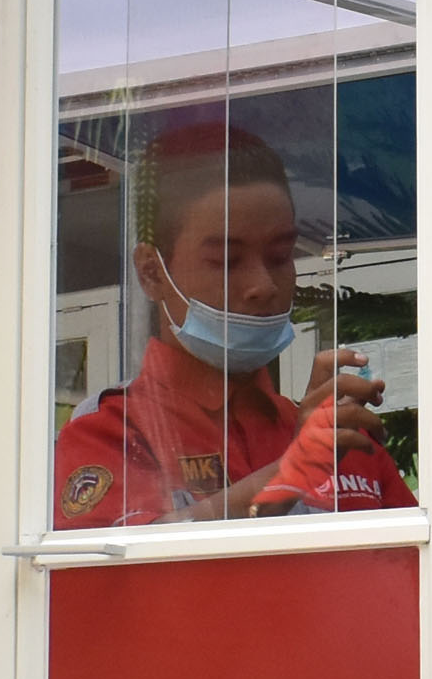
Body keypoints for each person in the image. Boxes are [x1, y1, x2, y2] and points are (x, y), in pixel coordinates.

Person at [55, 124, 410, 524]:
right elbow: (121, 576)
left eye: (281, 255)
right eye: (226, 261)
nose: (262, 285)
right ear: (151, 272)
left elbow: (428, 576)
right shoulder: (111, 434)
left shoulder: (339, 440)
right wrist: (290, 473)